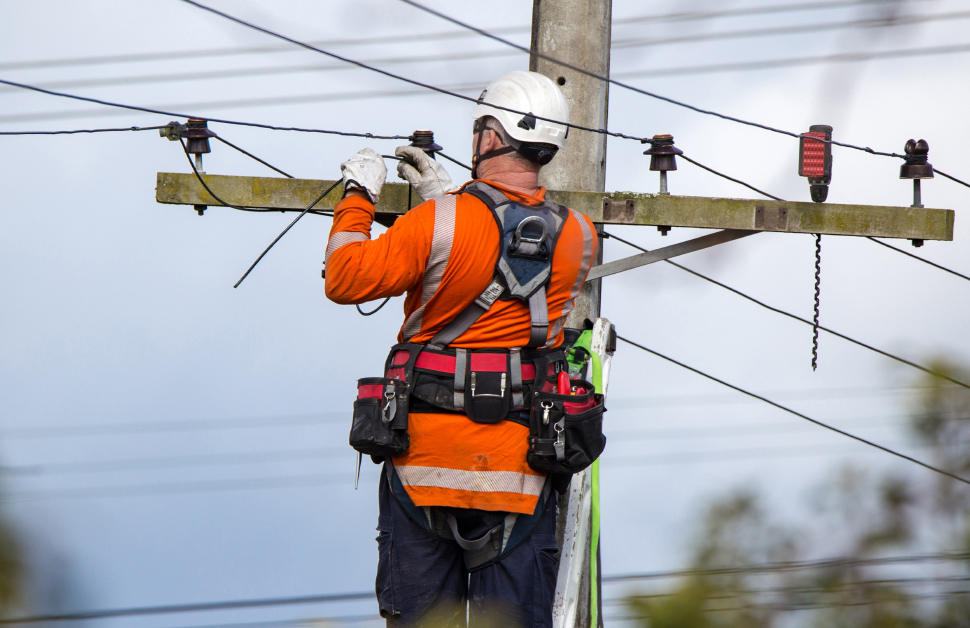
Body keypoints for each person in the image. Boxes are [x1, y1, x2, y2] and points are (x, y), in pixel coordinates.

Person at [325, 70, 598, 628]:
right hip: (521, 478)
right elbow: (508, 248)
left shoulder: (436, 222)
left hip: (422, 474)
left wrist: (357, 198)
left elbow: (345, 278)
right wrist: (455, 198)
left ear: (492, 136)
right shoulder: (578, 235)